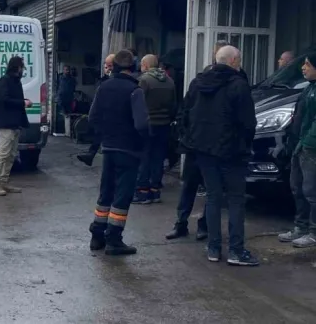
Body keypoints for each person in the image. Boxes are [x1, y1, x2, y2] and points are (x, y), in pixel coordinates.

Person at [182, 45, 259, 266]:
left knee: (213, 198)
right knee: (235, 200)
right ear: (234, 61)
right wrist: (245, 144)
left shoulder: (197, 83)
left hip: (204, 152)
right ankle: (236, 251)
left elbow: (185, 113)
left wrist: (193, 141)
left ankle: (213, 248)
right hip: (232, 152)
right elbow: (248, 123)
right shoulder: (238, 86)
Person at [87, 50, 149, 256]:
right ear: (133, 67)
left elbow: (92, 117)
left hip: (109, 148)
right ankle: (114, 239)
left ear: (113, 67)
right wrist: (144, 140)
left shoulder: (103, 87)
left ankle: (97, 235)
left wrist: (105, 135)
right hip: (129, 149)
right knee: (122, 194)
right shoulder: (135, 90)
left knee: (106, 191)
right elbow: (141, 124)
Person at [278, 54, 316, 248]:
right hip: (299, 146)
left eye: (308, 64)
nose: (303, 68)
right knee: (298, 187)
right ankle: (300, 227)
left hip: (310, 149)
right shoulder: (309, 88)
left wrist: (307, 143)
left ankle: (313, 232)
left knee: (311, 191)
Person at [133, 54, 177, 205]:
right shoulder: (170, 81)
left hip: (148, 124)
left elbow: (138, 103)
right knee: (158, 158)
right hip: (164, 124)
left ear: (145, 65)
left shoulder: (143, 80)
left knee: (144, 158)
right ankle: (155, 190)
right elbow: (173, 105)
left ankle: (142, 192)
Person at [0, 56, 32, 196]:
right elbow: (3, 99)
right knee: (3, 154)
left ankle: (4, 181)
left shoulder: (15, 81)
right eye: (21, 66)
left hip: (15, 123)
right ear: (17, 67)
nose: (22, 69)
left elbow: (12, 99)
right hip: (6, 123)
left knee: (12, 154)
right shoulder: (5, 80)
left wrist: (23, 101)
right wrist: (22, 103)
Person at [77, 54, 115, 167]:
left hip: (113, 115)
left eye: (109, 66)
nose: (107, 69)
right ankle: (91, 154)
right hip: (104, 114)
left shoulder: (114, 81)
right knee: (99, 134)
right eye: (105, 67)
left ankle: (91, 154)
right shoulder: (103, 81)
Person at [57, 65, 77, 136]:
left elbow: (73, 88)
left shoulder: (72, 79)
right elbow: (57, 86)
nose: (67, 71)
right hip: (61, 98)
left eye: (68, 70)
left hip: (69, 99)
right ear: (63, 70)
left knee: (69, 115)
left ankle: (68, 132)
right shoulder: (59, 78)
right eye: (66, 70)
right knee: (62, 114)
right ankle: (62, 131)